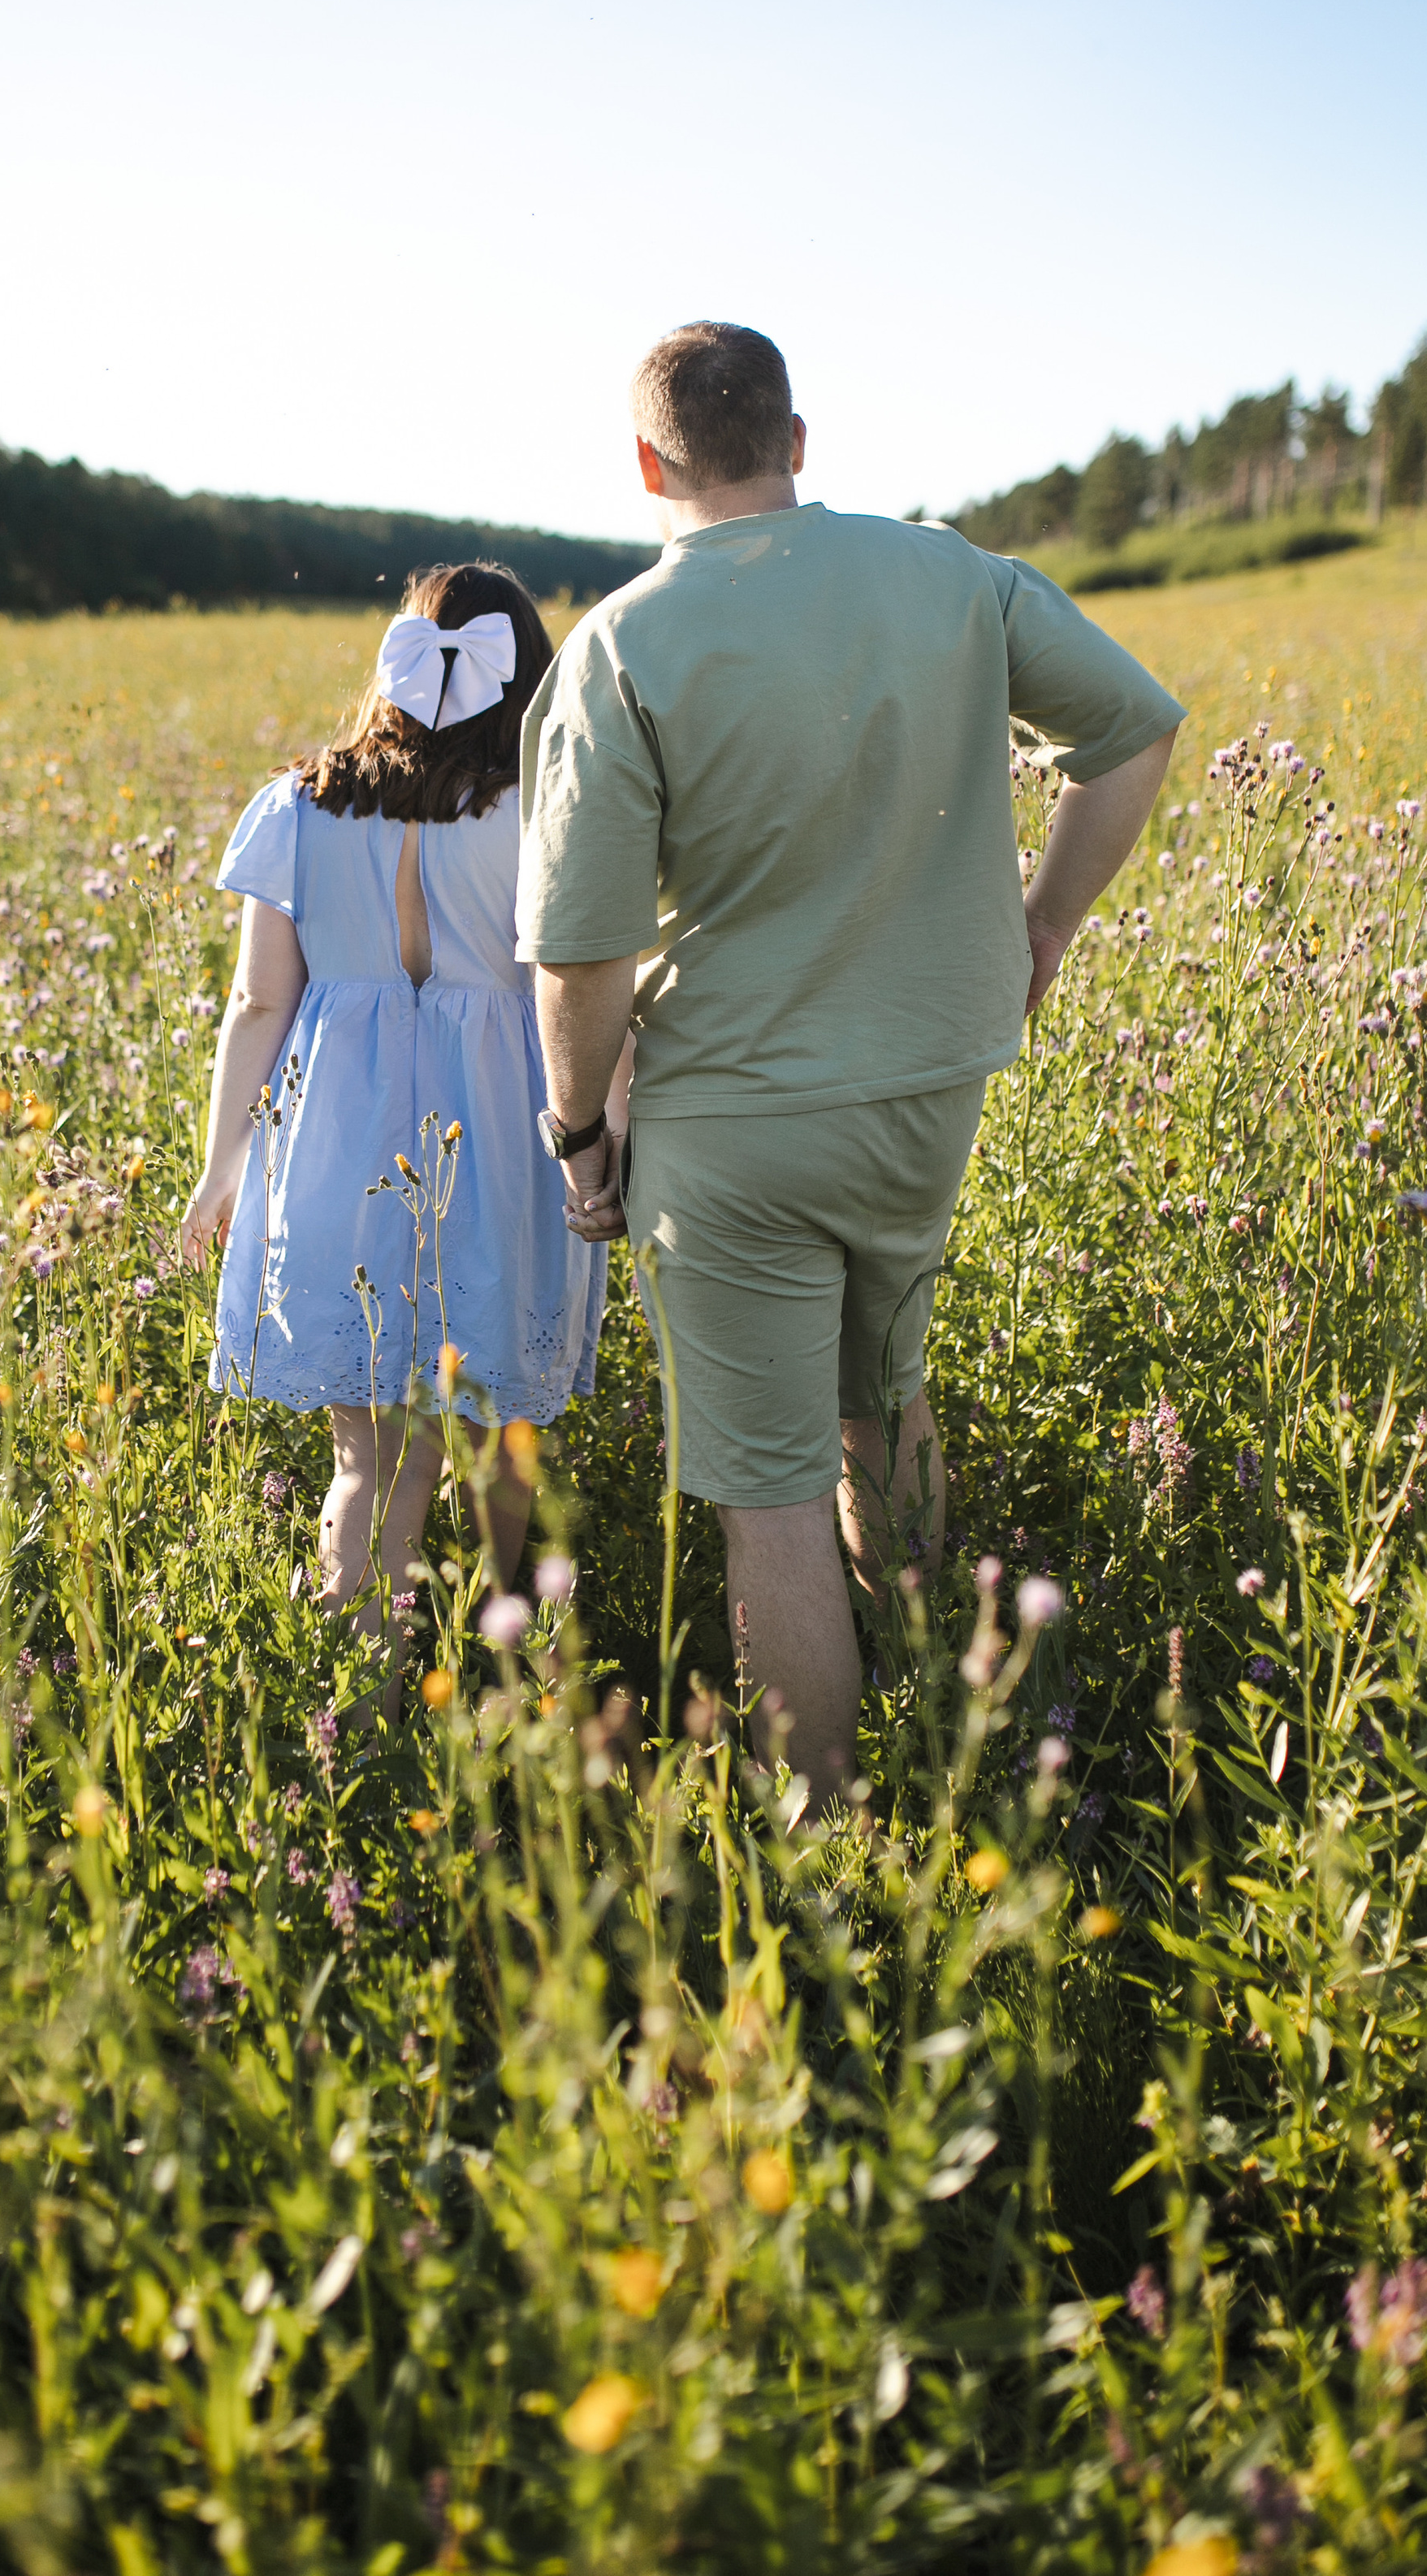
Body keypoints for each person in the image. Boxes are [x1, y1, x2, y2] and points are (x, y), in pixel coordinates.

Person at [517, 320, 1185, 1814]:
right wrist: (1044, 926)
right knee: (887, 1404)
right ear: (798, 441)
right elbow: (1134, 736)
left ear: (646, 463)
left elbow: (577, 959)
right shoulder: (956, 578)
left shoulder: (623, 646)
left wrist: (578, 1133)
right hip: (928, 1090)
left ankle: (829, 1839)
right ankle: (962, 1741)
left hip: (735, 1119)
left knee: (767, 1488)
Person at [181, 561, 608, 1639]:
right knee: (495, 1417)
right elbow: (582, 987)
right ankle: (500, 1639)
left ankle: (358, 1682)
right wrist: (604, 1139)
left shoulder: (301, 803)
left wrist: (221, 1172)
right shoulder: (540, 811)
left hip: (337, 1134)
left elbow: (256, 1006)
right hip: (502, 1133)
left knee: (366, 1452)